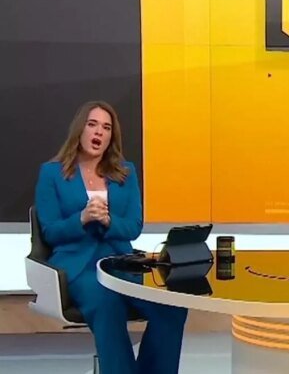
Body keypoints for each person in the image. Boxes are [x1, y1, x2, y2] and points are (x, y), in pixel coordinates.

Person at [35, 101, 187, 374]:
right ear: (80, 129)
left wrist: (109, 221)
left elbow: (133, 226)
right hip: (78, 266)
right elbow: (51, 232)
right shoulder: (52, 173)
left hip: (121, 263)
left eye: (106, 128)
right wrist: (81, 218)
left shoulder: (125, 172)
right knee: (108, 303)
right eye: (92, 124)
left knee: (172, 306)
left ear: (111, 136)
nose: (99, 132)